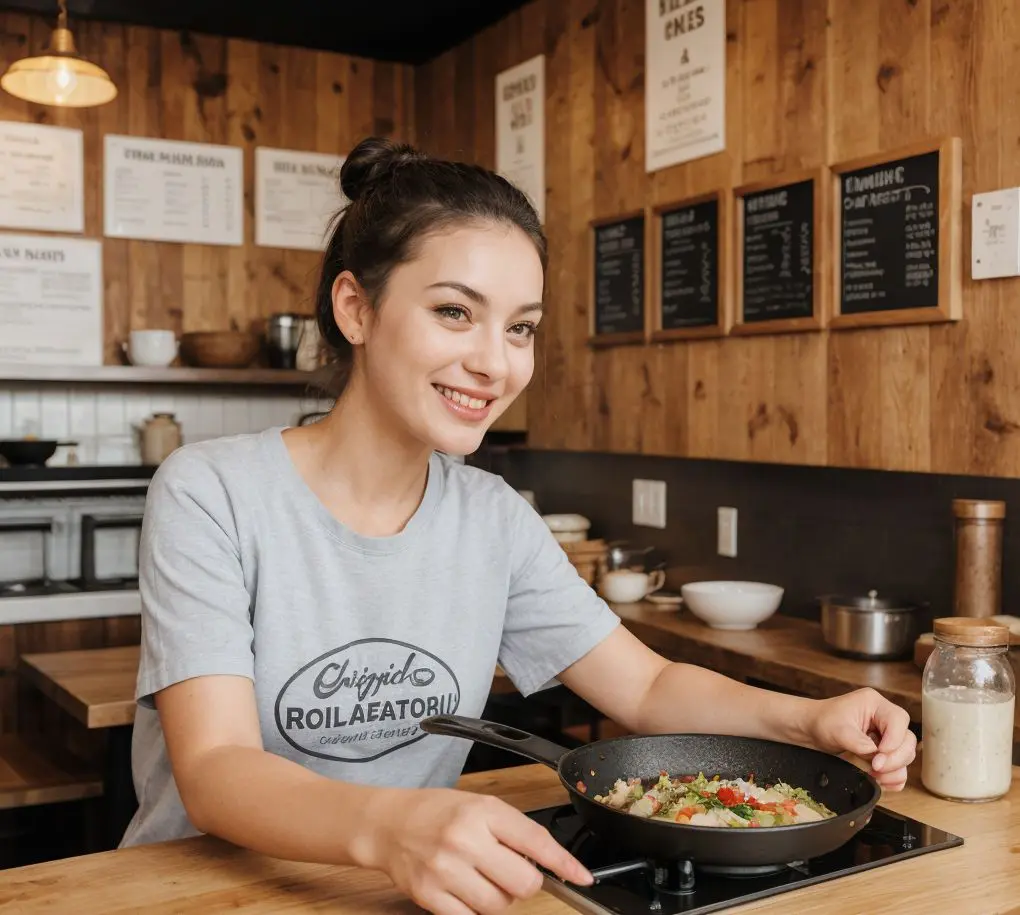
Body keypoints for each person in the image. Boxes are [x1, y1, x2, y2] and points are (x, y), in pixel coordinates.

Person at [121, 136, 917, 915]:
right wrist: (393, 823)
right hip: (199, 890)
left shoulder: (492, 516)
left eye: (520, 327)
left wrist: (806, 718)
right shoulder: (211, 491)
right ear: (355, 308)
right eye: (454, 312)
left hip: (404, 890)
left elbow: (644, 685)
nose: (495, 363)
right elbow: (217, 765)